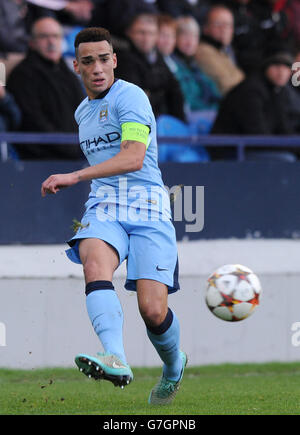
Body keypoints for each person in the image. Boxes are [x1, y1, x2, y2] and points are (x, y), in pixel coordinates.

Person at [41, 27, 187, 405]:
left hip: (148, 206)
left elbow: (133, 156)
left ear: (114, 61)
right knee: (93, 263)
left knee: (152, 310)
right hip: (104, 205)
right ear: (76, 66)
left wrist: (75, 175)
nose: (97, 68)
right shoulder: (81, 112)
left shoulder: (131, 96)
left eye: (104, 59)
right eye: (88, 61)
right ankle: (115, 357)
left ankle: (173, 366)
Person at [7, 17, 85, 159]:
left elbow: (84, 112)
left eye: (56, 36)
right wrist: (67, 147)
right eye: (44, 37)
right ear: (32, 43)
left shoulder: (69, 74)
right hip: (40, 160)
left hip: (74, 156)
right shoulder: (23, 75)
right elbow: (32, 121)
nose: (51, 42)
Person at [211, 48, 300, 160]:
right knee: (287, 159)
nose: (281, 72)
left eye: (286, 68)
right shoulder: (250, 91)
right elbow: (258, 136)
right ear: (266, 67)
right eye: (276, 66)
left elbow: (283, 128)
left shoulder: (278, 91)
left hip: (254, 147)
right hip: (231, 150)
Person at [115, 13, 186, 121]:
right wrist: (161, 93)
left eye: (151, 33)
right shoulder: (123, 58)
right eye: (141, 32)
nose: (146, 38)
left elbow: (174, 89)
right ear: (129, 33)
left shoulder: (157, 57)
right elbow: (136, 98)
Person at [172, 16, 221, 123]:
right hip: (190, 116)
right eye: (185, 36)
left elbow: (214, 92)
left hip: (208, 112)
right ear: (175, 38)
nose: (190, 42)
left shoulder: (196, 64)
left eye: (194, 36)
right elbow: (188, 100)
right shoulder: (173, 65)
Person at [195, 4, 244, 95]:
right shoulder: (203, 51)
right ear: (206, 28)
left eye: (228, 25)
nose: (224, 29)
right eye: (218, 24)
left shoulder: (225, 49)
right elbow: (226, 86)